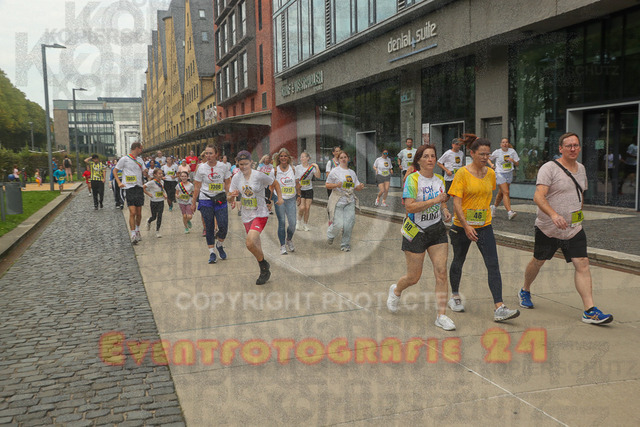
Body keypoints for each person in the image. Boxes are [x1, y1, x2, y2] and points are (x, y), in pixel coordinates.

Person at [519, 132, 613, 324]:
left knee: (582, 263)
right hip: (548, 228)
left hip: (574, 229)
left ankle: (589, 310)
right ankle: (525, 289)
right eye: (569, 146)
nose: (573, 149)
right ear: (560, 148)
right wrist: (554, 215)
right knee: (538, 261)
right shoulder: (549, 168)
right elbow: (538, 196)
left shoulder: (581, 169)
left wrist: (578, 214)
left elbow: (580, 194)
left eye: (576, 145)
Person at [447, 135, 520, 322]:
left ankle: (499, 307)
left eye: (487, 154)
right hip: (462, 226)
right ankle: (454, 296)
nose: (485, 157)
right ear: (472, 154)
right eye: (481, 154)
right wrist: (466, 225)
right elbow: (456, 203)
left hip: (484, 226)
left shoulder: (491, 174)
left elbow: (490, 195)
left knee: (493, 264)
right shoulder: (462, 173)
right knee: (458, 260)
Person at [387, 144, 455, 330]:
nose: (430, 159)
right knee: (413, 277)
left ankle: (441, 316)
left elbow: (442, 201)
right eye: (426, 156)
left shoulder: (440, 179)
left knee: (441, 272)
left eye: (433, 156)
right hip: (415, 231)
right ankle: (396, 290)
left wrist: (445, 210)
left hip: (436, 230)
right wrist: (435, 201)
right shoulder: (412, 179)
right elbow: (410, 206)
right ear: (418, 160)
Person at [228, 151, 283, 285]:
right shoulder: (236, 178)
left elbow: (275, 183)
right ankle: (264, 269)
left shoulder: (258, 175)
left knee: (249, 242)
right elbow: (229, 197)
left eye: (246, 164)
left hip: (260, 213)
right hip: (246, 215)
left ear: (251, 163)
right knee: (255, 245)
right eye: (241, 164)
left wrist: (280, 198)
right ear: (238, 164)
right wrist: (232, 197)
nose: (243, 167)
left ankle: (263, 265)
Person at [191, 144, 231, 264]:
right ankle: (212, 252)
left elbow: (228, 182)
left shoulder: (223, 167)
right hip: (206, 199)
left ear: (216, 154)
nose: (208, 156)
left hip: (220, 199)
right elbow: (197, 186)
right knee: (209, 227)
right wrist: (193, 202)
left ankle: (219, 245)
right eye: (206, 153)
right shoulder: (201, 168)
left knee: (223, 226)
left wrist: (231, 196)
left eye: (210, 153)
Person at [325, 151, 365, 252]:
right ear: (338, 160)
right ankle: (331, 234)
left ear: (348, 159)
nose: (343, 159)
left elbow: (356, 187)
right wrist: (336, 185)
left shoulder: (352, 172)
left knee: (349, 224)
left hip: (349, 201)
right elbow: (327, 185)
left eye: (345, 157)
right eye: (341, 157)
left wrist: (360, 187)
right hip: (338, 201)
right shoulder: (334, 171)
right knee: (338, 224)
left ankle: (345, 244)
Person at [114, 142, 149, 244]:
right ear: (136, 148)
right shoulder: (124, 159)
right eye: (141, 148)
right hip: (129, 188)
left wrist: (146, 172)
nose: (141, 150)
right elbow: (115, 171)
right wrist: (119, 182)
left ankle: (137, 230)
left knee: (139, 213)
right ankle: (133, 234)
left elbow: (144, 171)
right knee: (132, 212)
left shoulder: (140, 160)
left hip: (139, 187)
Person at [273, 148, 298, 255]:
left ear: (288, 158)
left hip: (291, 198)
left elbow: (297, 183)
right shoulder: (274, 170)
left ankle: (289, 239)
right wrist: (268, 201)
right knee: (282, 222)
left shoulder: (293, 169)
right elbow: (271, 186)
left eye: (285, 156)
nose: (283, 158)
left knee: (293, 223)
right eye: (281, 156)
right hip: (279, 198)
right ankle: (282, 245)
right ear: (279, 158)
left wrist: (299, 195)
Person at [489, 138, 520, 220]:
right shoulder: (497, 152)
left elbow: (517, 164)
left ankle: (493, 207)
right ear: (500, 144)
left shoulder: (512, 151)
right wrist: (491, 165)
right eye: (503, 142)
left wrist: (512, 161)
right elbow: (488, 158)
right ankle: (510, 212)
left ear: (508, 144)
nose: (505, 144)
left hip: (509, 173)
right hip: (499, 173)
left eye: (506, 142)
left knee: (502, 192)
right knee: (506, 192)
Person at [438, 138, 465, 214]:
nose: (458, 146)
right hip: (449, 178)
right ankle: (438, 205)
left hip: (458, 178)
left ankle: (457, 214)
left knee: (458, 196)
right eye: (457, 144)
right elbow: (439, 163)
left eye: (459, 145)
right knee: (447, 196)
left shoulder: (461, 153)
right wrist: (447, 170)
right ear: (452, 145)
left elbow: (461, 164)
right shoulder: (448, 153)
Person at [295, 152, 320, 231]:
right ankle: (298, 222)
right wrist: (297, 191)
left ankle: (305, 224)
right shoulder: (298, 167)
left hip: (309, 189)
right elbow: (296, 179)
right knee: (302, 207)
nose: (301, 158)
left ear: (308, 158)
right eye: (301, 157)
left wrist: (317, 166)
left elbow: (318, 176)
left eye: (303, 157)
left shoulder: (311, 168)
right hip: (301, 190)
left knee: (307, 208)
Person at [143, 168, 167, 238]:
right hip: (154, 201)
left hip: (161, 201)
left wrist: (164, 195)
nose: (161, 175)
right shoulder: (151, 182)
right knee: (154, 217)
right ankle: (149, 221)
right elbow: (143, 187)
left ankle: (157, 231)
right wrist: (148, 194)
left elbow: (161, 190)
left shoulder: (162, 182)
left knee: (160, 215)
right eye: (159, 174)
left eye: (161, 173)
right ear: (155, 175)